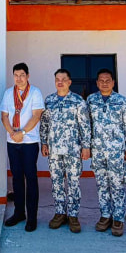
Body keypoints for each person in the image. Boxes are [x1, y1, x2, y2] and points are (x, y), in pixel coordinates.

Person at [40, 68, 91, 233]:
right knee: (56, 182)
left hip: (73, 150)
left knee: (74, 183)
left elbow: (85, 125)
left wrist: (86, 147)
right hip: (54, 150)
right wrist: (44, 143)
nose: (59, 82)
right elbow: (45, 124)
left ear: (69, 82)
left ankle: (74, 215)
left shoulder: (78, 101)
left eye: (63, 79)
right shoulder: (49, 101)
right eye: (57, 79)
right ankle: (60, 213)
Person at [87, 68, 126, 237]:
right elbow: (87, 126)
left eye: (108, 80)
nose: (104, 83)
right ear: (97, 83)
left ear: (113, 82)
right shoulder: (91, 100)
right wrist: (87, 147)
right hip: (98, 151)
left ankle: (118, 219)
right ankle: (105, 216)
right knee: (101, 185)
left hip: (116, 152)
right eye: (101, 80)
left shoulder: (122, 101)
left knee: (117, 185)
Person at [0, 62, 44, 232]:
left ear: (28, 76)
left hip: (29, 141)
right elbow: (4, 115)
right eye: (16, 75)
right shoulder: (8, 93)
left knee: (31, 178)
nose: (19, 78)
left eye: (22, 75)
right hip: (13, 142)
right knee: (17, 178)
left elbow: (36, 115)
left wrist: (22, 132)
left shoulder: (35, 92)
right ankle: (19, 213)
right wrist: (12, 133)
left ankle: (32, 217)